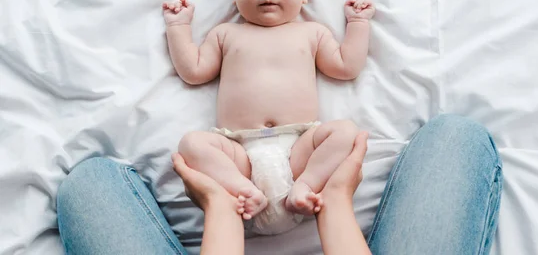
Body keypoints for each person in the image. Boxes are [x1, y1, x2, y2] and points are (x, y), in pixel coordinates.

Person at [161, 0, 375, 234]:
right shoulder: (226, 34)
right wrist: (179, 27)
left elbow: (346, 66)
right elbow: (194, 71)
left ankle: (306, 185)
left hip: (299, 150)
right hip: (239, 153)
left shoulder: (311, 32)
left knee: (345, 132)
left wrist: (357, 23)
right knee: (191, 144)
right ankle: (243, 190)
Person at [57, 114, 503, 254]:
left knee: (90, 186)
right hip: (288, 179)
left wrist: (220, 204)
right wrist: (334, 198)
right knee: (455, 140)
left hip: (253, 190)